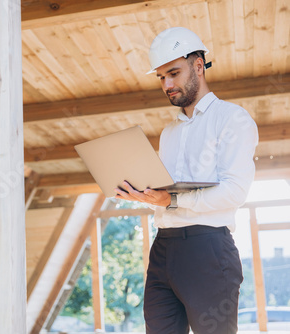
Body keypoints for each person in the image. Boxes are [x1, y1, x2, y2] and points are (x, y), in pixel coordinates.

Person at [114, 27, 258, 334]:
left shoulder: (233, 119)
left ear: (198, 66)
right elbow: (165, 193)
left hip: (208, 248)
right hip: (163, 248)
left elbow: (235, 192)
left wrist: (173, 201)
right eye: (161, 77)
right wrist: (140, 193)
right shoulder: (169, 133)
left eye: (174, 73)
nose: (167, 84)